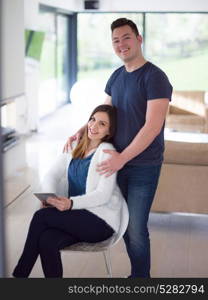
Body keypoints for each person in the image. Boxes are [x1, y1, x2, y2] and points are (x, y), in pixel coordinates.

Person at [64, 18, 173, 278]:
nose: (121, 44)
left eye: (126, 37)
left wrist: (122, 158)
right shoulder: (116, 76)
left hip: (142, 166)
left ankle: (140, 279)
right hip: (114, 162)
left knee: (136, 227)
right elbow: (105, 113)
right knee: (121, 222)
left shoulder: (155, 77)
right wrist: (82, 130)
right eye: (115, 40)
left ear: (139, 39)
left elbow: (152, 126)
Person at [12, 104, 129, 278]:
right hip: (76, 217)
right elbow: (51, 174)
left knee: (40, 216)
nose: (94, 126)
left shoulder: (107, 152)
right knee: (47, 241)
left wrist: (71, 203)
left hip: (101, 222)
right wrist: (49, 197)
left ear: (109, 131)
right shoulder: (76, 145)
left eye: (102, 124)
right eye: (92, 119)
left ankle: (19, 276)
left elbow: (102, 195)